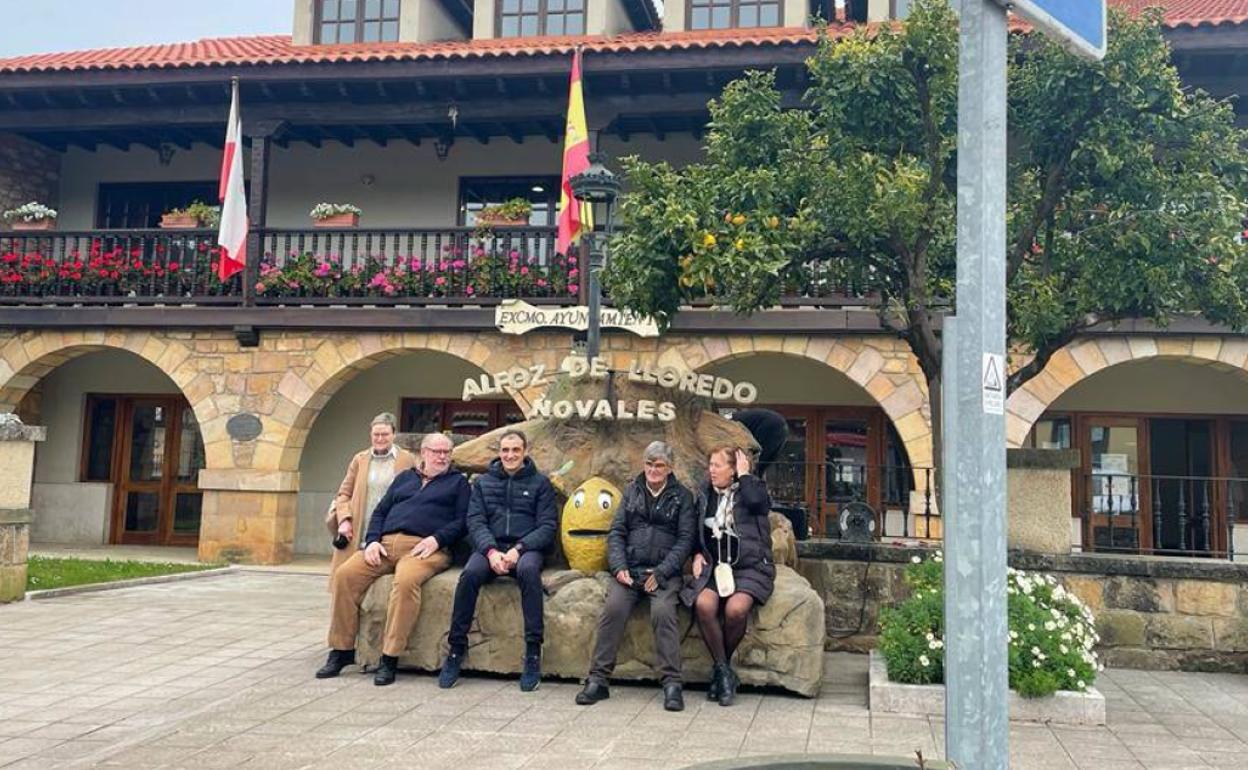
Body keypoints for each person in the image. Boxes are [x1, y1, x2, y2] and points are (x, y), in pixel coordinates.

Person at [316, 432, 469, 686]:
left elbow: (463, 521)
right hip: (385, 544)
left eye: (446, 452)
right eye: (436, 451)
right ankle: (341, 650)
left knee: (406, 581)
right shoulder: (405, 478)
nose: (442, 457)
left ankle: (390, 656)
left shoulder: (458, 484)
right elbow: (381, 511)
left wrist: (437, 539)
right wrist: (372, 540)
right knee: (345, 575)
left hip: (425, 548)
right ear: (424, 452)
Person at [575, 441, 697, 712]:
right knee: (612, 610)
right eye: (649, 464)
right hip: (630, 570)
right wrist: (619, 567)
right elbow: (617, 531)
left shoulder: (682, 497)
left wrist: (663, 571)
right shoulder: (631, 492)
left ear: (670, 468)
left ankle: (672, 684)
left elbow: (686, 540)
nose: (653, 470)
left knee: (663, 612)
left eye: (660, 465)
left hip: (663, 573)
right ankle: (598, 680)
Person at [438, 429, 557, 692]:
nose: (510, 455)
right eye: (505, 450)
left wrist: (519, 549)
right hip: (490, 548)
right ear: (499, 452)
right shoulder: (482, 483)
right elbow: (475, 521)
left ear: (525, 452)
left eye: (515, 450)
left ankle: (533, 651)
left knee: (528, 573)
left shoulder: (540, 484)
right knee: (469, 576)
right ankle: (456, 648)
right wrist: (491, 551)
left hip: (525, 549)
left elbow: (548, 527)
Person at [687, 445, 774, 707]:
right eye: (710, 465)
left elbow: (759, 504)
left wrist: (745, 476)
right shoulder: (705, 495)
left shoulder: (751, 490)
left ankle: (720, 671)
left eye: (717, 465)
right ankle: (724, 672)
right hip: (717, 566)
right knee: (704, 604)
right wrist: (696, 554)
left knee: (736, 610)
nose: (711, 471)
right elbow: (693, 529)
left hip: (750, 567)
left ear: (734, 469)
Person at [325, 413, 418, 580]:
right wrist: (344, 520)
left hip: (389, 527)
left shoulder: (408, 460)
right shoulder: (360, 459)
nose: (380, 438)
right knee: (347, 577)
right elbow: (344, 493)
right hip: (359, 526)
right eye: (376, 434)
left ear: (394, 435)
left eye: (385, 434)